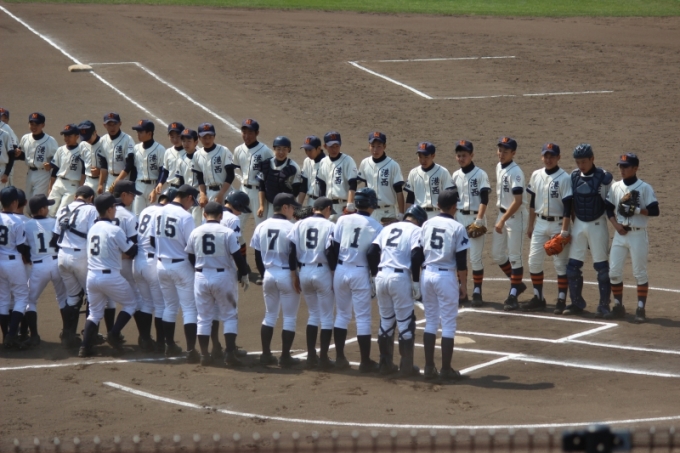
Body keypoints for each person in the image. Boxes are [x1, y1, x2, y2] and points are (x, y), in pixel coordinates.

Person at [185, 201, 251, 367]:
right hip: (223, 277)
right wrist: (244, 273)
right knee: (229, 316)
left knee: (203, 318)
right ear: (221, 216)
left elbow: (190, 256)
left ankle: (205, 355)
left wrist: (199, 268)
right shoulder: (227, 232)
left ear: (204, 215)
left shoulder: (195, 232)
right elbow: (238, 257)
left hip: (201, 277)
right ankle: (229, 354)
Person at [326, 188, 383, 372]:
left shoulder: (343, 219)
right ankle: (365, 361)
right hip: (360, 272)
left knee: (342, 315)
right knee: (363, 317)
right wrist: (374, 275)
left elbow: (332, 248)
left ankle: (340, 358)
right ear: (371, 204)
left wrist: (335, 270)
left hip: (341, 270)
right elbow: (373, 254)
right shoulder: (376, 226)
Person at [367, 204, 427, 377]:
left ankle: (385, 364)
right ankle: (406, 367)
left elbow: (371, 252)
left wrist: (374, 276)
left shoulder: (387, 228)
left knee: (386, 321)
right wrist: (416, 281)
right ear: (419, 220)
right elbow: (416, 256)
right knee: (405, 322)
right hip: (400, 279)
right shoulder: (416, 230)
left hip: (381, 276)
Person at [79, 193, 138, 357]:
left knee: (94, 313)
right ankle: (114, 333)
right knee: (131, 304)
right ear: (109, 209)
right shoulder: (115, 230)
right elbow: (131, 250)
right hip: (110, 277)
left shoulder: (92, 229)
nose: (116, 209)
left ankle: (85, 347)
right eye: (114, 206)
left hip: (92, 277)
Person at [420, 189, 469, 381]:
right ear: (454, 206)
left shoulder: (426, 224)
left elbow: (419, 252)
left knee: (431, 321)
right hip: (446, 276)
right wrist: (463, 285)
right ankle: (446, 369)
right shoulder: (457, 227)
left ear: (438, 205)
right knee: (448, 324)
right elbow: (461, 261)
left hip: (427, 274)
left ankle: (428, 367)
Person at [605, 153, 659, 323]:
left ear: (635, 168)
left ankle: (640, 309)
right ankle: (618, 307)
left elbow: (655, 210)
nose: (622, 169)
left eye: (626, 166)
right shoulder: (615, 187)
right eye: (620, 166)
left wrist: (637, 210)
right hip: (620, 235)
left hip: (638, 235)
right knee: (614, 272)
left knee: (639, 273)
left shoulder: (645, 188)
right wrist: (616, 225)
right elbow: (608, 208)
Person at [250, 193, 302, 368]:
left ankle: (266, 355)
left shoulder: (261, 226)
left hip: (269, 274)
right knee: (289, 317)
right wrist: (295, 276)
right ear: (285, 207)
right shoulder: (291, 227)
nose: (294, 211)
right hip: (287, 274)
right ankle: (285, 357)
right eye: (292, 207)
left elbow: (257, 256)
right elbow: (294, 255)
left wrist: (265, 273)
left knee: (270, 315)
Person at [521, 143, 573, 313]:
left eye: (552, 156)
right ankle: (538, 298)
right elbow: (533, 202)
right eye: (546, 156)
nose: (548, 159)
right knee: (533, 262)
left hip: (558, 224)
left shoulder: (565, 178)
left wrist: (564, 231)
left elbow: (568, 207)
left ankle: (561, 300)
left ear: (558, 158)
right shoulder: (536, 175)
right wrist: (530, 225)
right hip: (540, 223)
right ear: (542, 157)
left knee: (560, 264)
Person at [287, 196, 337, 369]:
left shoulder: (299, 224)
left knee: (313, 314)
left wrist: (294, 275)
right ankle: (323, 358)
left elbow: (291, 251)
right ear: (327, 209)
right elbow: (330, 252)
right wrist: (333, 274)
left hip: (304, 271)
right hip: (323, 271)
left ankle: (310, 357)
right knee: (327, 317)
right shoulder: (330, 225)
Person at [152, 184, 200, 360]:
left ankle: (169, 345)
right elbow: (192, 247)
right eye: (192, 202)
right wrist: (196, 268)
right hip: (181, 266)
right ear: (189, 197)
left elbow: (152, 240)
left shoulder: (158, 212)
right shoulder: (185, 216)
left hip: (161, 266)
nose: (191, 206)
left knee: (170, 306)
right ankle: (190, 351)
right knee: (189, 308)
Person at [566, 144, 614, 317]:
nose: (581, 165)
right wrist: (571, 226)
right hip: (579, 224)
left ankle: (604, 306)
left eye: (584, 162)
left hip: (597, 224)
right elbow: (570, 203)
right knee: (572, 267)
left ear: (592, 159)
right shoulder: (573, 176)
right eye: (578, 162)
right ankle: (576, 302)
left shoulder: (604, 177)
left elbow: (611, 203)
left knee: (602, 268)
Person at [52, 185, 97, 349]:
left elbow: (55, 236)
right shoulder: (91, 210)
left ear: (76, 196)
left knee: (72, 297)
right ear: (90, 198)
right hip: (80, 257)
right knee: (92, 296)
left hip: (62, 256)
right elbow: (93, 236)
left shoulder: (63, 208)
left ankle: (68, 336)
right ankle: (89, 337)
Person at [112, 181, 154, 350]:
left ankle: (89, 337)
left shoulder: (102, 212)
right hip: (124, 265)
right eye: (132, 195)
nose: (134, 198)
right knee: (138, 300)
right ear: (123, 194)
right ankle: (143, 338)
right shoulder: (128, 216)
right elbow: (133, 247)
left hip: (100, 263)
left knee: (101, 303)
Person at [23, 194, 68, 347]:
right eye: (46, 206)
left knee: (29, 301)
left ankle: (34, 336)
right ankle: (67, 333)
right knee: (63, 298)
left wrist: (28, 257)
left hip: (38, 267)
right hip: (56, 264)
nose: (48, 208)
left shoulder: (27, 225)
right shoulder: (54, 222)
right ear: (41, 209)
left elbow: (24, 248)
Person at [450, 140, 491, 306]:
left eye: (464, 155)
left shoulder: (481, 174)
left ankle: (477, 291)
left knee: (475, 258)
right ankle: (462, 290)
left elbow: (484, 199)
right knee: (460, 257)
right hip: (459, 218)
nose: (461, 158)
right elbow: (453, 200)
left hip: (475, 217)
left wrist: (479, 219)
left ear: (472, 155)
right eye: (459, 155)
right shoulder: (455, 175)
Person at [135, 186, 175, 354]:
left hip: (138, 262)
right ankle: (160, 343)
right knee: (160, 305)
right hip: (152, 263)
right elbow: (154, 241)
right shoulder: (163, 213)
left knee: (146, 303)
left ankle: (145, 340)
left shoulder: (146, 210)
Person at [491, 137, 529, 311]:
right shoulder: (499, 167)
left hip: (515, 217)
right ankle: (517, 284)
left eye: (505, 151)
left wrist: (502, 220)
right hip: (503, 214)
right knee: (497, 254)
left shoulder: (516, 172)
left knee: (515, 256)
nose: (501, 154)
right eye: (500, 150)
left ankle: (513, 294)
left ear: (513, 153)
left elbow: (518, 201)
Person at [109, 120, 165, 215]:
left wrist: (155, 190)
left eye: (141, 132)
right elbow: (134, 170)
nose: (138, 134)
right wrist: (131, 188)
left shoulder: (160, 149)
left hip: (153, 186)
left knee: (154, 215)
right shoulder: (136, 148)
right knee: (137, 215)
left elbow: (162, 171)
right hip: (139, 186)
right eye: (137, 131)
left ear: (149, 133)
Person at [0, 187, 30, 348]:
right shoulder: (17, 221)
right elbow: (20, 247)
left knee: (4, 299)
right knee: (22, 298)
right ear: (14, 202)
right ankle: (12, 335)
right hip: (13, 263)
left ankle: (6, 335)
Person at [232, 118, 274, 229]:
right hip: (243, 190)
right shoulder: (238, 150)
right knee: (236, 226)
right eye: (244, 132)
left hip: (258, 193)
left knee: (261, 226)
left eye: (250, 133)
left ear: (257, 133)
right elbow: (237, 167)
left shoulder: (265, 151)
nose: (247, 136)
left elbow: (272, 172)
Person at [357, 131, 406, 225]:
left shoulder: (393, 165)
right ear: (369, 146)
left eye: (379, 146)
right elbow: (365, 187)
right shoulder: (365, 163)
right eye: (373, 146)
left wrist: (401, 213)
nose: (375, 150)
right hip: (370, 211)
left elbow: (399, 191)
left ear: (384, 146)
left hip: (388, 212)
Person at [16, 113, 59, 213]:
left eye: (37, 124)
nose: (34, 127)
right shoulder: (25, 138)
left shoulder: (50, 141)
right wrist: (18, 154)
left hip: (43, 174)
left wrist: (51, 165)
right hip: (30, 173)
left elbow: (58, 159)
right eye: (32, 124)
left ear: (43, 125)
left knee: (36, 203)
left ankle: (39, 221)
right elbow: (24, 156)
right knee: (28, 204)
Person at [403, 142, 454, 219]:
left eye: (426, 157)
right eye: (420, 157)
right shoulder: (413, 173)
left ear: (433, 156)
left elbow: (449, 196)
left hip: (438, 213)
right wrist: (407, 216)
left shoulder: (443, 172)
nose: (423, 160)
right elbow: (410, 198)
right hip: (418, 214)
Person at [315, 131, 358, 221]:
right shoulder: (323, 162)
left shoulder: (348, 161)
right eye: (331, 147)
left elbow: (353, 184)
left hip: (343, 206)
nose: (334, 149)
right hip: (328, 207)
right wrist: (320, 206)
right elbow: (322, 186)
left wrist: (350, 205)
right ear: (325, 146)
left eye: (337, 146)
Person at [256, 136, 301, 220]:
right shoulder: (266, 164)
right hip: (272, 205)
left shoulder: (294, 167)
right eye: (278, 149)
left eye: (284, 149)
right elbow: (261, 186)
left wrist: (294, 208)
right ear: (274, 149)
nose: (281, 152)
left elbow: (296, 190)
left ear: (289, 150)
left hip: (288, 206)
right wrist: (261, 205)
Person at [193, 123, 236, 206]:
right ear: (199, 137)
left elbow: (231, 175)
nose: (207, 140)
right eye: (204, 137)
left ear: (214, 136)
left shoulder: (223, 151)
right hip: (208, 193)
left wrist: (221, 194)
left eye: (210, 137)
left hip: (225, 192)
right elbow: (200, 177)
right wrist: (202, 195)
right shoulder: (197, 155)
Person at [47, 124, 86, 217]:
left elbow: (83, 171)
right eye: (65, 135)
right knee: (49, 210)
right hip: (58, 182)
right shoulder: (60, 149)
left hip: (72, 185)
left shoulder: (82, 151)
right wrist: (50, 186)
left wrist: (80, 188)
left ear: (77, 136)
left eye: (69, 136)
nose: (66, 138)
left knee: (62, 212)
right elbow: (55, 169)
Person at [96, 113, 135, 195]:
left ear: (120, 124)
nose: (112, 127)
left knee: (122, 202)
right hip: (110, 179)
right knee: (108, 202)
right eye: (109, 125)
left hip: (125, 179)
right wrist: (100, 184)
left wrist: (118, 180)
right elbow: (103, 165)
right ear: (104, 125)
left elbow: (129, 164)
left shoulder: (127, 139)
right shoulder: (103, 140)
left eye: (114, 124)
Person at [174, 128, 203, 226]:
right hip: (186, 198)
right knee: (185, 223)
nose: (186, 144)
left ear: (196, 142)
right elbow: (181, 181)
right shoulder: (180, 160)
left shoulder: (202, 157)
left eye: (189, 141)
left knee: (196, 224)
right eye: (183, 141)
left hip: (199, 196)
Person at [154, 122, 185, 197]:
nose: (175, 139)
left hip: (184, 189)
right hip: (170, 188)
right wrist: (160, 183)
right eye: (172, 136)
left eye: (178, 136)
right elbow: (165, 171)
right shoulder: (168, 152)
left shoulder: (191, 152)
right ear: (168, 136)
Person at [297, 136, 325, 206]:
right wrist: (298, 205)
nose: (307, 153)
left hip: (323, 202)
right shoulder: (307, 161)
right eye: (306, 150)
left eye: (310, 150)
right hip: (310, 201)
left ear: (318, 149)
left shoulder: (327, 163)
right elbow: (304, 185)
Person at [78, 121, 104, 191]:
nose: (86, 140)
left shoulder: (104, 143)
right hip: (88, 181)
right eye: (84, 138)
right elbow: (83, 168)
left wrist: (100, 172)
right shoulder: (82, 145)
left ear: (95, 132)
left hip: (103, 182)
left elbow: (111, 165)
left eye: (88, 137)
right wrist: (80, 187)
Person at [0, 108, 19, 187]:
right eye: (2, 117)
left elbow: (14, 147)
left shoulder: (6, 129)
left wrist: (6, 172)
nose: (3, 119)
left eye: (5, 117)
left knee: (7, 190)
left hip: (4, 166)